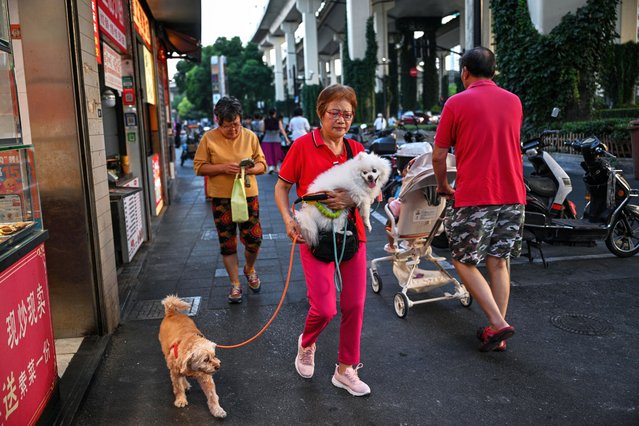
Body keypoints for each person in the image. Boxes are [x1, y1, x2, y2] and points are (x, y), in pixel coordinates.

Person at [274, 84, 371, 397]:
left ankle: (346, 369)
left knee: (355, 304)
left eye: (347, 114)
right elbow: (281, 187)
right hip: (314, 235)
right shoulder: (303, 146)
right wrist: (289, 220)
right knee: (326, 308)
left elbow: (375, 190)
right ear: (321, 114)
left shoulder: (357, 150)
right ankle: (307, 342)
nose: (341, 119)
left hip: (352, 235)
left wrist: (352, 199)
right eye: (335, 113)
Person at [432, 47, 525, 352]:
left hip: (476, 194)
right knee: (498, 261)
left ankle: (498, 324)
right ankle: (496, 330)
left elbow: (439, 154)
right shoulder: (514, 101)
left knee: (462, 259)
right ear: (494, 72)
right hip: (513, 194)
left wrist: (444, 185)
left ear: (465, 72)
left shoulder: (456, 102)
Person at [193, 96, 267, 304]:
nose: (234, 130)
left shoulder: (250, 136)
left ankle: (249, 269)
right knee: (228, 242)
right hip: (222, 198)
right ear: (218, 121)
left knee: (254, 239)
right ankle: (235, 284)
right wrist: (223, 168)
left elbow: (263, 164)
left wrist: (251, 169)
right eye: (228, 126)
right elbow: (199, 167)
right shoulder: (209, 138)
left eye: (236, 124)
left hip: (247, 195)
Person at [262, 108, 291, 173]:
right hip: (276, 139)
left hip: (267, 139)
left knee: (269, 154)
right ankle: (276, 167)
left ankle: (270, 167)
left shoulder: (265, 120)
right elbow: (282, 130)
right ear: (275, 113)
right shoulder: (278, 120)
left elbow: (263, 130)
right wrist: (286, 139)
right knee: (276, 153)